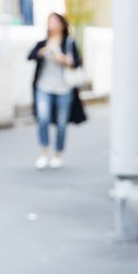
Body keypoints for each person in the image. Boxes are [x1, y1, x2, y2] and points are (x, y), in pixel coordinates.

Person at [27, 12, 87, 169]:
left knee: (61, 123)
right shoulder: (43, 43)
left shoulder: (69, 42)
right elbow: (30, 56)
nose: (51, 24)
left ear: (61, 24)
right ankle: (44, 153)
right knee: (43, 118)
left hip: (64, 88)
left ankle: (58, 153)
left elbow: (78, 62)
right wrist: (42, 52)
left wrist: (64, 60)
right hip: (43, 86)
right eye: (49, 21)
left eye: (54, 21)